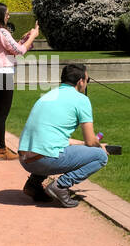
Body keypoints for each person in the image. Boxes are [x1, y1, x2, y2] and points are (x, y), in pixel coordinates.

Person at [17, 63, 108, 207]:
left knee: (50, 148)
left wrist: (86, 145)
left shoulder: (48, 95)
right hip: (44, 160)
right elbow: (91, 141)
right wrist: (99, 147)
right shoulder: (82, 99)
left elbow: (60, 139)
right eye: (87, 80)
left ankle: (33, 185)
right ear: (80, 82)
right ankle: (60, 186)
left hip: (25, 159)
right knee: (100, 157)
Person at [0, 2, 39, 160]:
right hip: (3, 74)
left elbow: (11, 49)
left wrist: (26, 39)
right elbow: (18, 51)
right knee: (1, 114)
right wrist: (33, 36)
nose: (8, 16)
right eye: (7, 14)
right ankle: (1, 149)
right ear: (0, 16)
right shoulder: (2, 31)